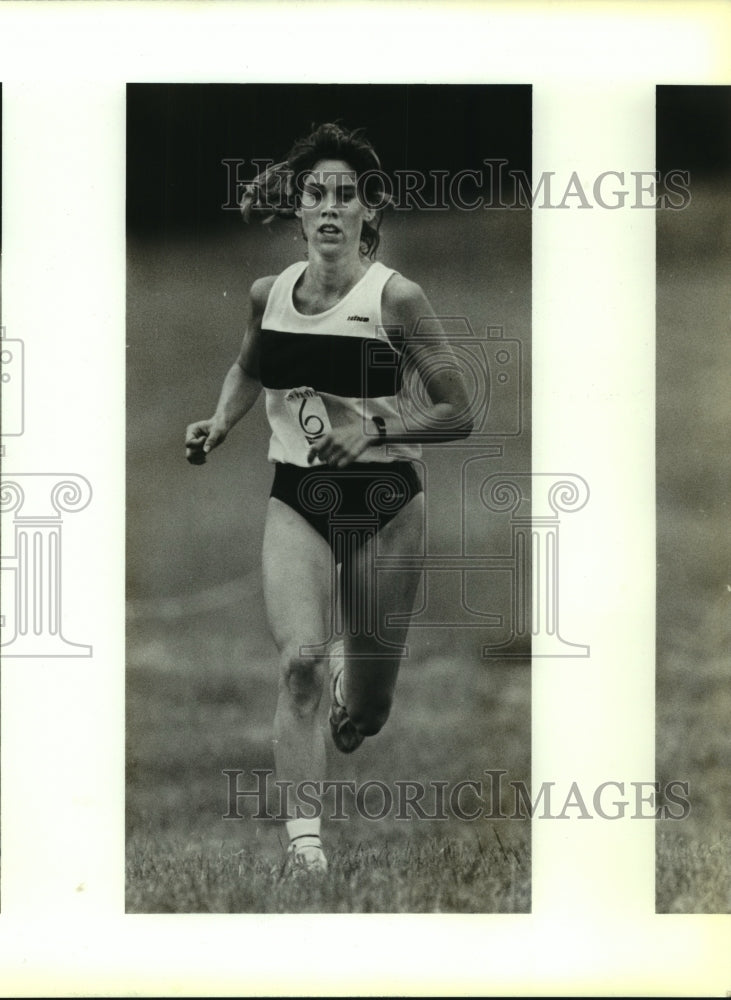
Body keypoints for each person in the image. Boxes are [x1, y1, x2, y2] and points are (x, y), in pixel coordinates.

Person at [185, 123, 472, 875]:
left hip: (386, 503)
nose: (331, 209)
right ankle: (304, 849)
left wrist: (375, 427)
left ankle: (361, 695)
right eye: (317, 193)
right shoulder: (268, 294)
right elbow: (250, 368)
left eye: (347, 195)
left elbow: (458, 409)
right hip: (299, 497)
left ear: (369, 210)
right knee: (300, 665)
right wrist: (219, 421)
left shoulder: (396, 299)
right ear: (299, 206)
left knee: (364, 714)